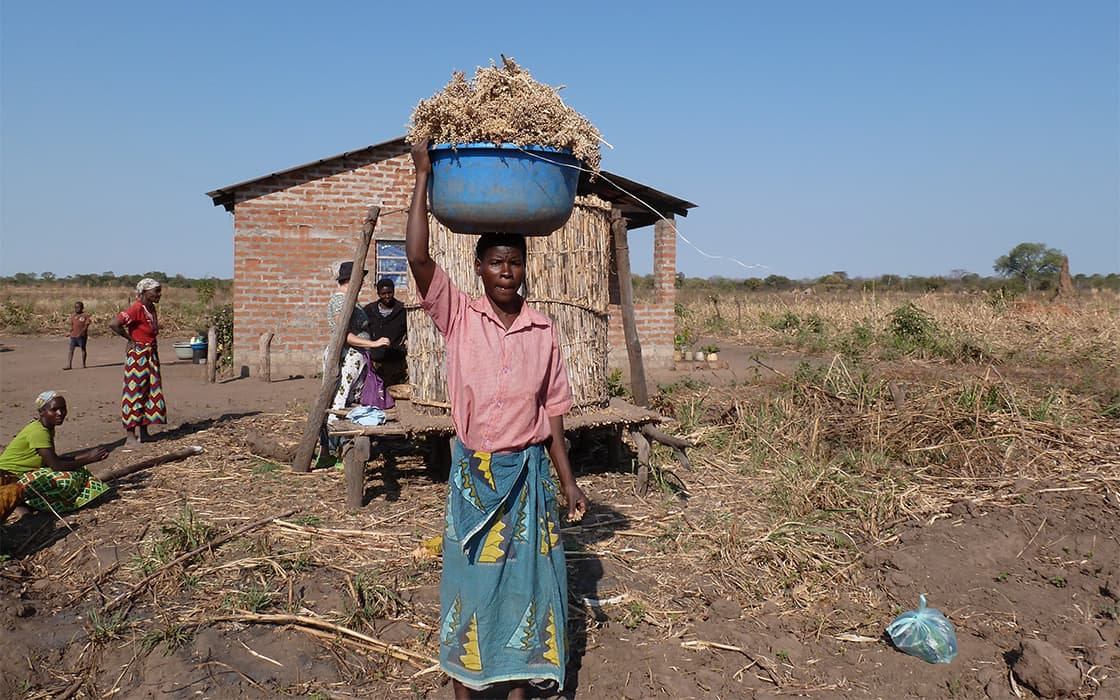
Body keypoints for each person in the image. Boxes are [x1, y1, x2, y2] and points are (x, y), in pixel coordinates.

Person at [406, 139, 588, 700]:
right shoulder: (458, 315)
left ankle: (513, 684)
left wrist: (569, 481)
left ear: (524, 269)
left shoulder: (543, 331)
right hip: (474, 479)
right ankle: (466, 687)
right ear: (480, 268)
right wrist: (421, 175)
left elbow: (553, 413)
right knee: (471, 589)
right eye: (496, 262)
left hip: (528, 480)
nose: (507, 272)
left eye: (515, 262)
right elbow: (416, 257)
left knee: (526, 591)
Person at [0, 391, 110, 522]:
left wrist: (88, 456)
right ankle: (25, 503)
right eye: (54, 410)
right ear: (41, 412)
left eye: (63, 409)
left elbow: (53, 459)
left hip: (21, 474)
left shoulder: (46, 427)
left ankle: (24, 503)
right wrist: (90, 458)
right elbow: (57, 466)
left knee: (79, 471)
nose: (60, 413)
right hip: (10, 477)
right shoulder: (39, 432)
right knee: (66, 480)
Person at [326, 262, 390, 423]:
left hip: (355, 356)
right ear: (352, 280)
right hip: (347, 356)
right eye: (361, 279)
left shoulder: (349, 300)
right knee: (340, 397)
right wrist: (374, 344)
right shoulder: (341, 301)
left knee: (349, 397)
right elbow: (343, 334)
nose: (363, 282)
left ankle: (342, 436)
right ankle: (335, 434)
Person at [109, 278, 167, 446]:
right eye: (156, 291)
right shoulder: (136, 309)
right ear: (144, 292)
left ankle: (144, 432)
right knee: (134, 393)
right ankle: (130, 436)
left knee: (149, 391)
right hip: (138, 356)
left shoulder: (150, 308)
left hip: (150, 354)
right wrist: (130, 339)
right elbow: (114, 323)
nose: (159, 294)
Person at [362, 277, 408, 385]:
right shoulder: (369, 310)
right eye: (383, 293)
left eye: (390, 293)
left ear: (394, 291)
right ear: (378, 294)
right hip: (375, 359)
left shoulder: (402, 310)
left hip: (395, 359)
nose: (387, 296)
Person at [65, 301, 92, 370]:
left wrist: (81, 333)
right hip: (73, 336)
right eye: (75, 307)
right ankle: (69, 365)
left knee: (83, 349)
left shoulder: (85, 316)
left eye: (78, 307)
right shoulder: (73, 316)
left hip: (82, 336)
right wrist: (69, 332)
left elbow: (86, 326)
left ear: (82, 308)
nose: (76, 309)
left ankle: (83, 364)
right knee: (71, 350)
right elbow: (71, 326)